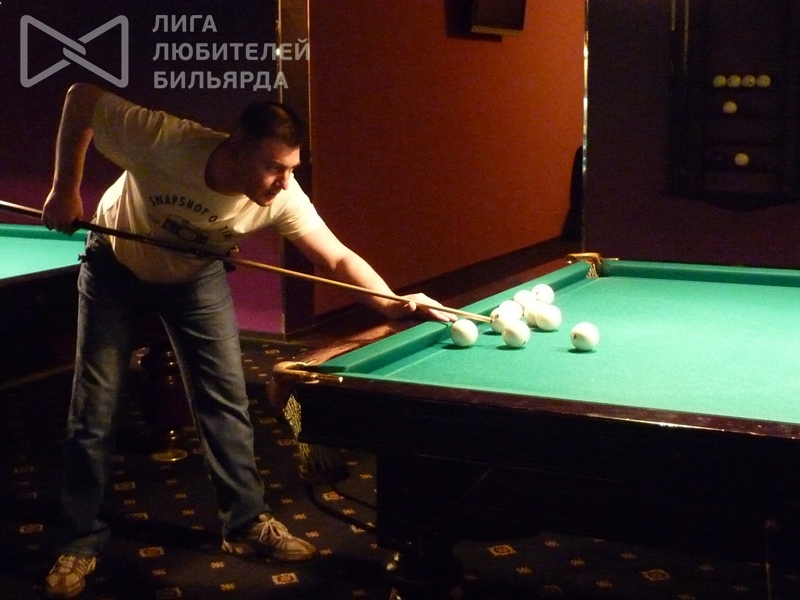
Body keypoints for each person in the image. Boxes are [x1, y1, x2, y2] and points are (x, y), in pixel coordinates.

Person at [42, 82, 455, 599]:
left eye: (292, 169)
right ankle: (79, 538)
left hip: (195, 275)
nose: (284, 182)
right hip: (116, 265)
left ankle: (245, 522)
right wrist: (65, 189)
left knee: (226, 399)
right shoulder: (164, 141)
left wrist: (393, 302)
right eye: (274, 167)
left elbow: (336, 258)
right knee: (95, 408)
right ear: (234, 148)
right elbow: (81, 98)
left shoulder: (283, 196)